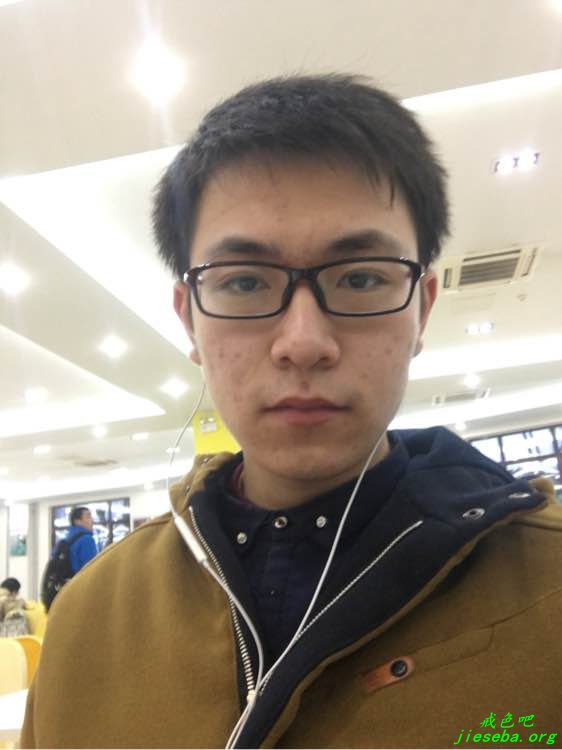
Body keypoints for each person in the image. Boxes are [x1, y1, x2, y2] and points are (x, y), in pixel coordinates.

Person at [21, 74, 561, 748]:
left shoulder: (549, 590)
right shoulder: (89, 616)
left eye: (360, 277)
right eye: (245, 281)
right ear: (190, 320)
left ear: (421, 309)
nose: (303, 343)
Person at [64, 506, 98, 574]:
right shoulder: (87, 539)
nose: (92, 520)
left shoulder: (66, 539)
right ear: (78, 522)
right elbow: (91, 569)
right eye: (88, 517)